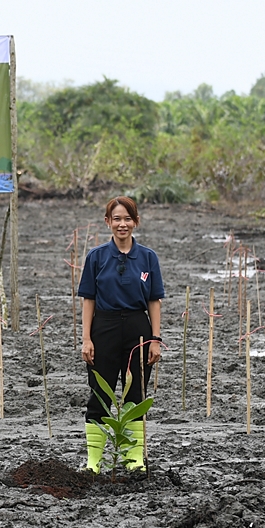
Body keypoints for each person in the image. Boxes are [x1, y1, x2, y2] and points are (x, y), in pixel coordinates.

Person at [78, 195, 163, 473]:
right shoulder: (96, 257)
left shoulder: (148, 258)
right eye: (116, 219)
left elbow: (154, 301)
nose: (122, 224)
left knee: (135, 395)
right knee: (99, 393)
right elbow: (88, 299)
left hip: (139, 330)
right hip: (104, 328)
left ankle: (133, 458)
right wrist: (87, 338)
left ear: (136, 222)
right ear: (107, 222)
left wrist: (155, 340)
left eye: (127, 218)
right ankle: (94, 462)